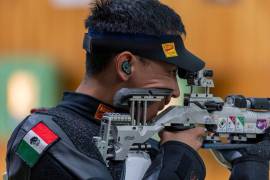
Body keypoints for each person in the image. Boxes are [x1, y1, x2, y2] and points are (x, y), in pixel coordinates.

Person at [5, 0, 270, 180]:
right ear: (126, 65)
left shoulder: (141, 142)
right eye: (170, 72)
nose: (174, 92)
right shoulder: (47, 138)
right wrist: (179, 154)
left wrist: (248, 163)